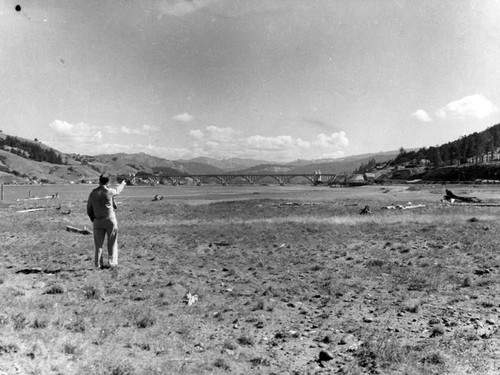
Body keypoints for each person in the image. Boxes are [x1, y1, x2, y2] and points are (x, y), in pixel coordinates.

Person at [87, 174, 127, 269]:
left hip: (97, 221)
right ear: (108, 182)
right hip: (110, 220)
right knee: (112, 242)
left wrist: (93, 218)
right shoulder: (110, 191)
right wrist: (122, 184)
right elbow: (118, 190)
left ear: (99, 181)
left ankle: (97, 265)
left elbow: (89, 209)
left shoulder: (93, 193)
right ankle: (111, 262)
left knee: (98, 245)